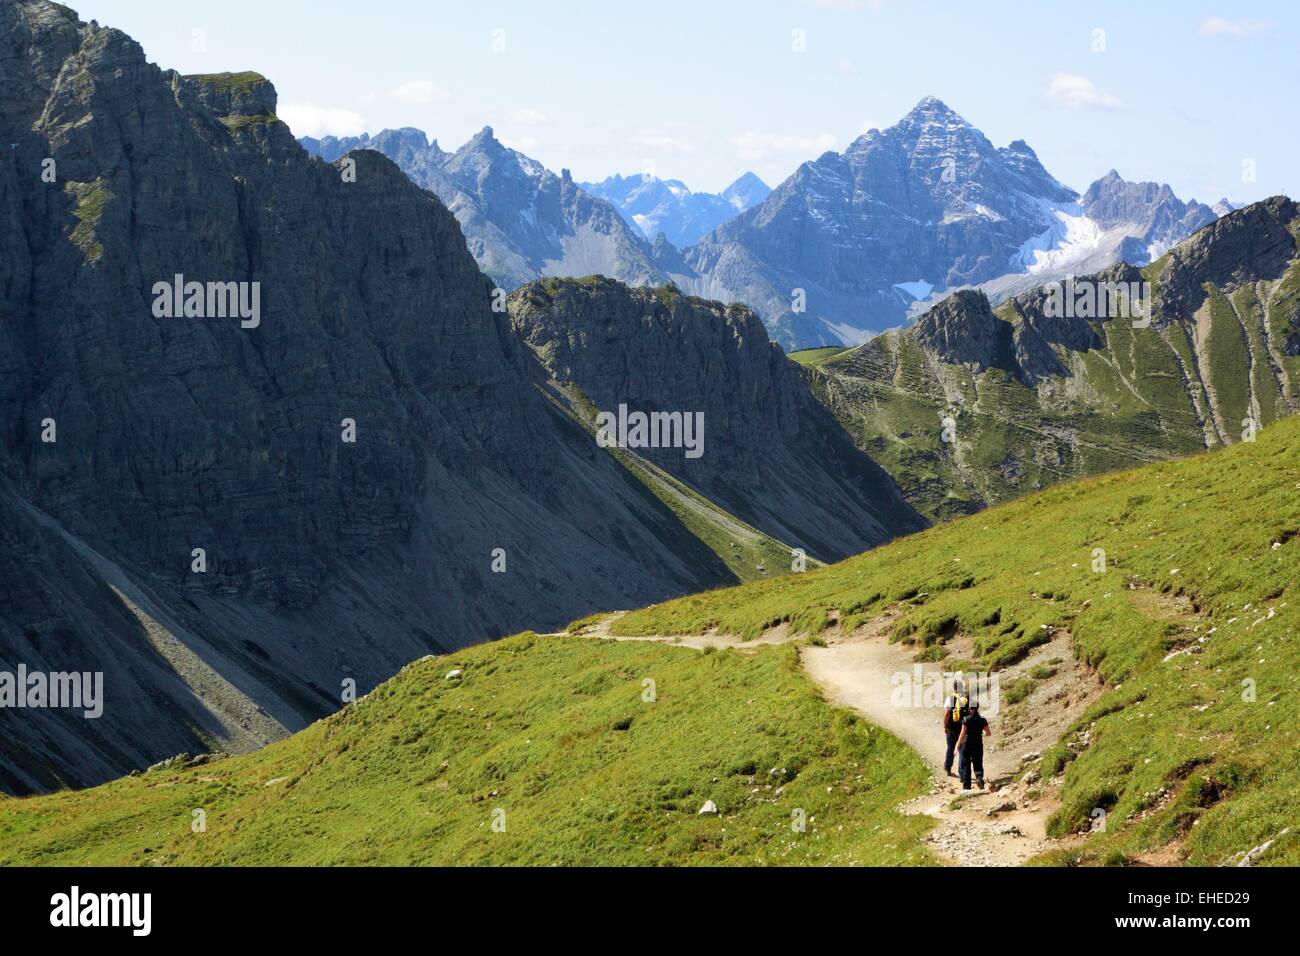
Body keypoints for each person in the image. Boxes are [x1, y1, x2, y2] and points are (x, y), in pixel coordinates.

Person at [954, 700, 991, 791]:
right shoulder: (982, 720)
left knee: (967, 766)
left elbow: (962, 734)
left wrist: (957, 746)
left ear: (970, 708)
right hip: (978, 745)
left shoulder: (966, 719)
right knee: (978, 763)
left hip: (967, 745)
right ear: (977, 708)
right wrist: (981, 730)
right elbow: (988, 733)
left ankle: (967, 788)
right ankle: (979, 778)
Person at [941, 680, 968, 777]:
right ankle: (962, 773)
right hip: (963, 728)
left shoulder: (951, 698)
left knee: (950, 748)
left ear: (954, 687)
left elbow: (947, 714)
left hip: (951, 728)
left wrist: (945, 726)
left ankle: (948, 767)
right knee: (962, 750)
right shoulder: (966, 698)